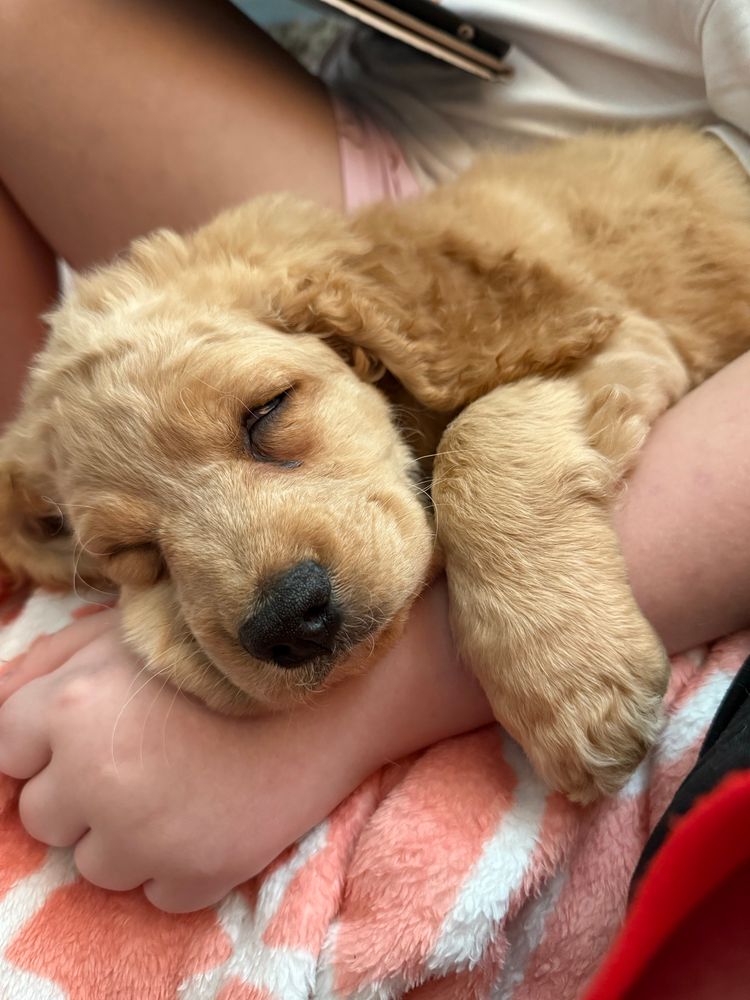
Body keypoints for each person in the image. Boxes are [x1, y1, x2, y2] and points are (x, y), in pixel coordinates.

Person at [0, 0, 748, 914]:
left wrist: (385, 698)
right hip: (391, 136)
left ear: (356, 346)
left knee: (490, 442)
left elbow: (586, 337)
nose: (257, 591)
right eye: (137, 555)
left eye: (268, 421)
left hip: (505, 217)